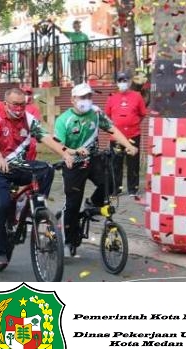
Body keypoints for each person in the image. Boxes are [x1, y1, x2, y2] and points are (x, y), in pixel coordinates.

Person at [0, 87, 72, 269]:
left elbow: (46, 137)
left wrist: (65, 153)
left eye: (22, 104)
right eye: (15, 104)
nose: (19, 108)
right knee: (2, 205)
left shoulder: (28, 120)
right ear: (6, 103)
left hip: (18, 166)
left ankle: (38, 209)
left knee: (46, 169)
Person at [51, 83, 138, 257]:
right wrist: (73, 151)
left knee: (112, 185)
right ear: (73, 100)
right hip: (73, 164)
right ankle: (68, 241)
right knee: (73, 205)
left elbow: (112, 129)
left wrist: (128, 145)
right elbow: (57, 144)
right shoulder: (64, 120)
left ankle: (92, 204)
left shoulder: (96, 114)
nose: (86, 101)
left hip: (93, 160)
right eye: (82, 97)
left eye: (89, 96)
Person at [105, 72, 147, 196]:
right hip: (116, 137)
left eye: (125, 80)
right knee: (116, 163)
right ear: (117, 82)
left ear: (129, 82)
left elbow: (142, 113)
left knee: (133, 163)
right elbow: (107, 115)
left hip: (133, 135)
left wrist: (134, 123)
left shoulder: (137, 96)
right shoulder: (112, 97)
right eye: (120, 80)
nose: (123, 82)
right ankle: (116, 188)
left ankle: (132, 189)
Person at [55, 20, 89, 85]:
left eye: (78, 25)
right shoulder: (71, 34)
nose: (76, 27)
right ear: (73, 27)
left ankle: (81, 88)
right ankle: (77, 87)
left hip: (82, 56)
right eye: (75, 26)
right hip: (74, 57)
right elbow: (61, 30)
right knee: (76, 74)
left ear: (79, 26)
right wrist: (53, 24)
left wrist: (88, 53)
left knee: (81, 74)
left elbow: (89, 45)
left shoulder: (84, 36)